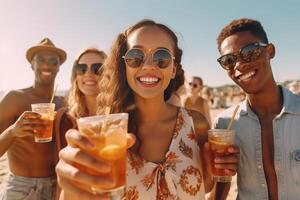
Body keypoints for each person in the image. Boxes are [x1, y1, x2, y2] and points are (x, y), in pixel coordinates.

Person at [55, 19, 238, 200]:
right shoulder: (104, 134)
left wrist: (218, 170)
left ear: (173, 69)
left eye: (162, 58)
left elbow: (207, 185)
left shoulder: (196, 124)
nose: (149, 65)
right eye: (136, 57)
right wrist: (70, 193)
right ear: (124, 66)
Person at [215, 18, 300, 199]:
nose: (239, 65)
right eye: (229, 60)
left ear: (270, 51)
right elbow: (220, 186)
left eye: (249, 51)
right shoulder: (224, 124)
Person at [0, 38, 66, 200]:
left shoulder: (63, 103)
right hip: (22, 188)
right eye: (41, 59)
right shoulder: (14, 98)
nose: (47, 65)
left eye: (53, 62)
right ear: (32, 65)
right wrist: (12, 132)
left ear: (58, 68)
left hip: (56, 186)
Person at [55, 47, 107, 151]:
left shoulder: (120, 117)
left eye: (97, 68)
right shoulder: (63, 118)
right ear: (75, 76)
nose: (88, 74)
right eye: (81, 68)